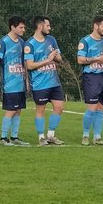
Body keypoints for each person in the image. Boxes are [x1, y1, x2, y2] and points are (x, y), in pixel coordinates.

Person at [0, 16, 31, 146]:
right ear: (13, 27)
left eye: (24, 27)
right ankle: (3, 137)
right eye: (21, 27)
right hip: (10, 84)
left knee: (18, 110)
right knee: (11, 110)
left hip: (20, 83)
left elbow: (25, 63)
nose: (23, 30)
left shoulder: (22, 42)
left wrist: (27, 81)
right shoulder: (4, 42)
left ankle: (14, 136)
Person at [26, 16, 66, 145]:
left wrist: (55, 56)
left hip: (54, 82)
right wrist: (47, 60)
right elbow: (30, 65)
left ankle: (51, 135)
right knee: (40, 110)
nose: (50, 28)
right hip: (39, 84)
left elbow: (59, 59)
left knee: (59, 107)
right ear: (40, 26)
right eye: (48, 26)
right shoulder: (30, 44)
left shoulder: (51, 40)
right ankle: (41, 137)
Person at [77, 15, 103, 145]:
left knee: (101, 108)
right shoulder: (85, 41)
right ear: (95, 26)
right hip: (91, 76)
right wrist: (98, 59)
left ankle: (97, 137)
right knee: (91, 107)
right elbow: (80, 60)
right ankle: (85, 135)